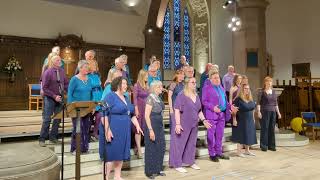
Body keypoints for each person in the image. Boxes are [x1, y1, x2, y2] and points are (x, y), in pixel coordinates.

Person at [99, 77, 143, 180]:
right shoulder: (110, 96)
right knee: (111, 155)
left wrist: (137, 125)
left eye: (126, 84)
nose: (126, 86)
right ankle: (105, 177)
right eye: (123, 83)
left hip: (124, 131)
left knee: (120, 154)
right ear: (117, 84)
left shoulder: (126, 98)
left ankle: (117, 176)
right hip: (113, 129)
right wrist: (107, 130)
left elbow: (131, 114)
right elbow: (103, 115)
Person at [169, 77, 212, 173]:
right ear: (187, 83)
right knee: (179, 144)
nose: (195, 84)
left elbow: (199, 111)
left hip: (194, 124)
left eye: (195, 82)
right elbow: (176, 110)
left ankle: (190, 162)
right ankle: (177, 164)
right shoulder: (182, 95)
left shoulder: (196, 95)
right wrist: (177, 124)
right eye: (193, 82)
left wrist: (204, 120)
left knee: (191, 144)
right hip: (183, 123)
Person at [202, 70, 238, 162]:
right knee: (211, 136)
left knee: (219, 135)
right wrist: (213, 108)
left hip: (221, 115)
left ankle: (219, 152)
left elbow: (225, 102)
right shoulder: (207, 88)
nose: (217, 79)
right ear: (210, 79)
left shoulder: (221, 88)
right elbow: (204, 101)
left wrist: (230, 106)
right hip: (212, 115)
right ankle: (212, 154)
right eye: (215, 78)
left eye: (218, 77)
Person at [39, 54, 68, 147]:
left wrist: (67, 92)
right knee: (47, 119)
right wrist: (54, 96)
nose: (60, 62)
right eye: (57, 60)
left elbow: (66, 84)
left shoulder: (62, 71)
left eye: (60, 60)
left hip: (60, 98)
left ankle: (53, 137)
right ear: (52, 62)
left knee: (57, 119)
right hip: (50, 98)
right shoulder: (47, 72)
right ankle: (42, 139)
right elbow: (45, 87)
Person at [67, 60, 93, 154]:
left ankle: (85, 148)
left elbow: (90, 93)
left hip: (87, 108)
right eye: (85, 67)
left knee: (86, 128)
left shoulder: (89, 79)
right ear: (80, 68)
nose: (87, 69)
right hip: (76, 109)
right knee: (77, 129)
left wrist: (92, 107)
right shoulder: (74, 79)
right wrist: (70, 107)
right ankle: (74, 148)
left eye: (88, 67)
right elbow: (69, 94)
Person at [144, 80, 166, 179]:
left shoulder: (158, 98)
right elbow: (146, 115)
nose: (162, 88)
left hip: (159, 125)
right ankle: (150, 171)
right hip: (152, 125)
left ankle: (158, 169)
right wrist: (150, 130)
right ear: (155, 88)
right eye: (160, 86)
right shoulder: (150, 98)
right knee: (151, 148)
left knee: (160, 147)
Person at [231, 84, 257, 157]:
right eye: (245, 88)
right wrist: (234, 119)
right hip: (241, 119)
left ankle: (247, 151)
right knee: (241, 135)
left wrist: (253, 118)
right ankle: (239, 152)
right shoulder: (238, 99)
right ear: (242, 90)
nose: (247, 90)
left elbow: (252, 110)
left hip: (250, 120)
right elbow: (234, 111)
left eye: (248, 88)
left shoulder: (250, 99)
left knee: (248, 135)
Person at [257, 76, 281, 152]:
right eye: (267, 81)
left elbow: (276, 103)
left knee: (271, 129)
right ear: (265, 83)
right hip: (264, 112)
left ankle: (271, 145)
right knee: (265, 128)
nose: (269, 83)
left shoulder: (274, 92)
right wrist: (258, 111)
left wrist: (278, 113)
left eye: (270, 81)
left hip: (273, 112)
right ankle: (264, 146)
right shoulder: (261, 92)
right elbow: (258, 103)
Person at [85, 50, 103, 141]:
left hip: (98, 95)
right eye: (93, 65)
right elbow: (88, 87)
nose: (95, 67)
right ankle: (87, 134)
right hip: (91, 96)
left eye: (96, 65)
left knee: (99, 115)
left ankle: (95, 132)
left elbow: (100, 86)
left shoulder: (97, 75)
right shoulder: (86, 76)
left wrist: (102, 97)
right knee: (89, 116)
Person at [133, 69, 149, 158]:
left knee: (145, 128)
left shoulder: (147, 86)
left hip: (146, 109)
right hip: (139, 108)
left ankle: (141, 147)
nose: (147, 77)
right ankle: (139, 149)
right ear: (142, 76)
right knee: (138, 129)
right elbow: (134, 98)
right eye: (146, 76)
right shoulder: (136, 85)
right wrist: (136, 109)